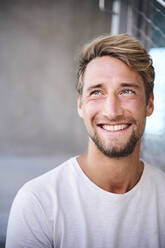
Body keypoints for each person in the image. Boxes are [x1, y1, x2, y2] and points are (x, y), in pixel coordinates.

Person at [6, 34, 165, 248]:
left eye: (127, 91)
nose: (112, 111)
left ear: (149, 104)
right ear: (80, 105)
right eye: (97, 92)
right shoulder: (38, 202)